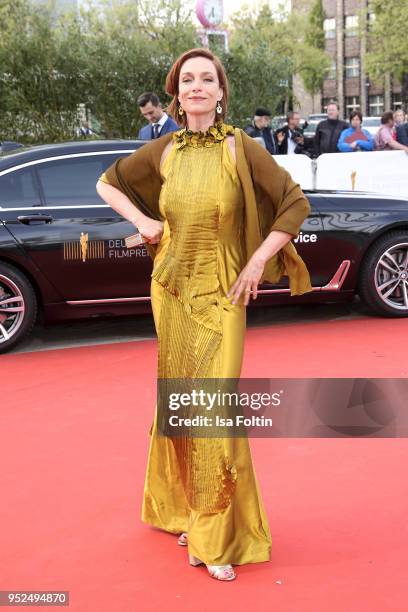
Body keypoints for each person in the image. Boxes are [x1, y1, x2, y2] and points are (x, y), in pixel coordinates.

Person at [96, 48, 312, 582]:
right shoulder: (164, 150)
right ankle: (182, 511)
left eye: (207, 79)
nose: (197, 86)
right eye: (187, 79)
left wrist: (259, 262)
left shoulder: (241, 147)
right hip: (169, 292)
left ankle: (217, 535)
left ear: (220, 92)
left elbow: (294, 202)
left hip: (224, 294)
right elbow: (107, 183)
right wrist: (144, 222)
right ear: (177, 91)